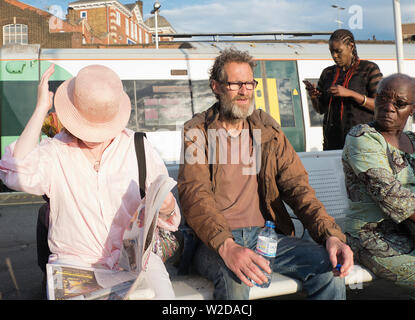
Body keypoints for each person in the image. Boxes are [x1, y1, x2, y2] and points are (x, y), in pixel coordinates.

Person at [177, 48, 354, 300]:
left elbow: (297, 188)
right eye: (235, 83)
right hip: (215, 242)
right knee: (237, 278)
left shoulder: (267, 130)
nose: (244, 90)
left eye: (249, 83)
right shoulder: (198, 132)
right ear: (215, 86)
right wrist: (227, 246)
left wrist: (330, 235)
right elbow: (195, 194)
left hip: (267, 237)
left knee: (328, 266)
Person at [0, 64, 180, 299]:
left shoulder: (137, 147)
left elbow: (165, 212)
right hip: (76, 266)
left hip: (136, 262)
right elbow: (13, 173)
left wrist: (166, 209)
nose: (93, 136)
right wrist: (40, 109)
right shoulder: (55, 152)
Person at [342, 73, 415, 294]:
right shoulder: (362, 137)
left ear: (412, 109)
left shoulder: (412, 140)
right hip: (372, 235)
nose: (388, 107)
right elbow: (391, 196)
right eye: (382, 98)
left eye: (399, 103)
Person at [304, 29, 383, 150]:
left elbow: (381, 106)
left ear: (351, 47)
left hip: (363, 145)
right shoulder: (327, 73)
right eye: (331, 52)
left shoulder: (369, 69)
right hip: (332, 145)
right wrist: (314, 97)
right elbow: (320, 109)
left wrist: (351, 94)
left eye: (338, 51)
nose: (334, 56)